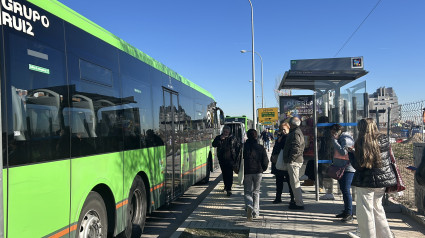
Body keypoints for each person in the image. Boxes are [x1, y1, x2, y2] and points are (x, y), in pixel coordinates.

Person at [348, 118, 397, 238]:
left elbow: (360, 166)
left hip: (366, 181)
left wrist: (351, 154)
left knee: (365, 211)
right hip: (382, 180)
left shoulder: (361, 141)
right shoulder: (384, 139)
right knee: (378, 209)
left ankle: (368, 236)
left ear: (361, 128)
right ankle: (385, 236)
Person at [330, 124, 355, 222]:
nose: (332, 134)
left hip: (348, 168)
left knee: (346, 190)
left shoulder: (345, 138)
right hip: (341, 167)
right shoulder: (341, 137)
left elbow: (343, 152)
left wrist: (334, 141)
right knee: (343, 190)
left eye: (333, 132)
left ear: (338, 131)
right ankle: (346, 211)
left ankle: (349, 213)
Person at [243, 129, 269, 221]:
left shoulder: (243, 147)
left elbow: (238, 160)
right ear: (256, 136)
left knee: (247, 191)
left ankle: (249, 206)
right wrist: (263, 169)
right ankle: (256, 212)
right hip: (258, 172)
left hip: (246, 172)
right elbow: (265, 161)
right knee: (256, 192)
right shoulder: (260, 147)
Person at [282, 117, 305, 210]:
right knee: (294, 182)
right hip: (294, 160)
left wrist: (291, 159)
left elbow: (296, 147)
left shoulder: (295, 133)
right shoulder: (296, 132)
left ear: (292, 124)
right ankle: (297, 201)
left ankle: (299, 203)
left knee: (295, 183)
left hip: (294, 161)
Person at [270, 122, 294, 204]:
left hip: (285, 161)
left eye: (284, 129)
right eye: (281, 129)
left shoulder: (289, 137)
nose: (283, 131)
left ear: (288, 129)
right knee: (279, 181)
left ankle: (292, 198)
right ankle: (278, 197)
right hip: (278, 162)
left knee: (289, 181)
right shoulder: (280, 137)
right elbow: (276, 148)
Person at [212, 125, 240, 196]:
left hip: (230, 159)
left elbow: (237, 148)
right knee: (224, 173)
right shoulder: (219, 137)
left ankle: (229, 189)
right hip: (222, 159)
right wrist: (220, 140)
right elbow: (213, 144)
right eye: (224, 132)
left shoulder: (233, 138)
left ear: (229, 132)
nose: (225, 133)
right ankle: (226, 185)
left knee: (229, 174)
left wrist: (236, 158)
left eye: (227, 132)